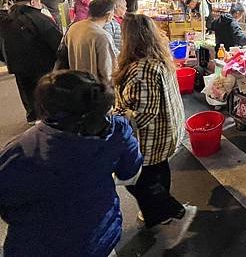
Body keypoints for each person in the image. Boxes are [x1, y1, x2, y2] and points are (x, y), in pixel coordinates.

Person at [0, 70, 143, 257]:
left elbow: (6, 203)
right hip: (98, 238)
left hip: (34, 246)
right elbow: (131, 174)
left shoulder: (19, 151)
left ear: (44, 108)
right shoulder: (117, 131)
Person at [113, 14, 195, 235]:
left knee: (138, 180)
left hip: (151, 136)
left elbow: (144, 112)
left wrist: (116, 120)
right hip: (164, 132)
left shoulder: (143, 69)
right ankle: (160, 212)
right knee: (157, 172)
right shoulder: (159, 59)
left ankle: (169, 211)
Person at [0, 0, 62, 123]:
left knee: (26, 91)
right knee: (44, 91)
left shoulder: (5, 19)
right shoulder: (39, 18)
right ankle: (47, 119)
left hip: (17, 65)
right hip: (42, 64)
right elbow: (56, 41)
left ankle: (32, 116)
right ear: (33, 2)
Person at [61, 0, 117, 85]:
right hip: (93, 88)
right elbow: (107, 71)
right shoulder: (102, 36)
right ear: (108, 14)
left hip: (76, 81)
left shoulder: (74, 27)